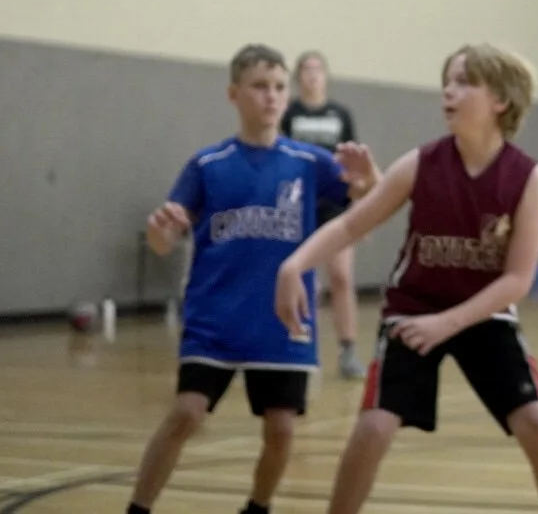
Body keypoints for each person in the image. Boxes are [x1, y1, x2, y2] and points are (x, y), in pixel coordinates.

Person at [275, 44, 538, 514]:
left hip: (484, 312)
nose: (448, 90)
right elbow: (351, 224)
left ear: (500, 99)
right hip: (413, 307)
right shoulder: (421, 163)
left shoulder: (527, 177)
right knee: (375, 426)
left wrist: (448, 323)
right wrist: (294, 265)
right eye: (447, 80)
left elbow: (519, 279)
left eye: (463, 81)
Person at [127, 44, 379, 514]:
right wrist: (160, 231)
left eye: (280, 87)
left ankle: (257, 507)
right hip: (214, 317)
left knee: (281, 428)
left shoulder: (309, 162)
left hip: (282, 321)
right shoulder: (207, 165)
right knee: (186, 413)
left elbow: (371, 203)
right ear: (234, 94)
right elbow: (164, 240)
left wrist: (368, 180)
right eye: (260, 86)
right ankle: (138, 507)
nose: (272, 96)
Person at [281, 50, 366, 378]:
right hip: (299, 203)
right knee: (299, 277)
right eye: (306, 69)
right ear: (298, 76)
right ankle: (299, 344)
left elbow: (354, 165)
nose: (313, 75)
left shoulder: (340, 114)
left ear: (326, 76)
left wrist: (361, 210)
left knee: (341, 277)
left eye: (318, 69)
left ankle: (348, 351)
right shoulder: (290, 113)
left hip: (335, 205)